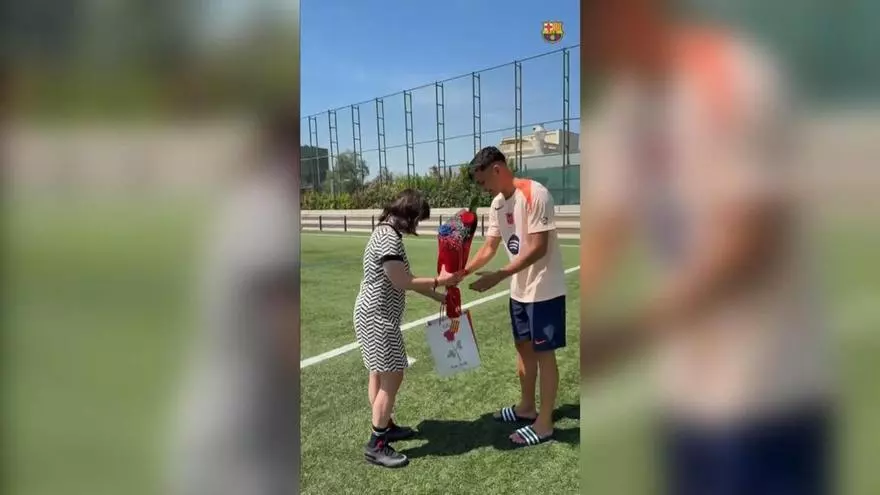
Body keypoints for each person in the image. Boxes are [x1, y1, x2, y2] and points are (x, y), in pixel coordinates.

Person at [579, 2, 831, 494]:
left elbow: (750, 244)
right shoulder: (626, 106)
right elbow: (608, 230)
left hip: (769, 395)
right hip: (687, 398)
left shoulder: (734, 77)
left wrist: (626, 336)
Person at [169, 105, 301, 495]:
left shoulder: (245, 204)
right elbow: (281, 326)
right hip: (246, 420)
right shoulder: (268, 209)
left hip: (224, 407)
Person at [463, 146, 568, 447]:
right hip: (519, 291)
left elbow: (538, 247)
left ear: (497, 169)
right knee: (522, 348)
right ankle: (526, 407)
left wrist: (499, 275)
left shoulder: (535, 194)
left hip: (544, 289)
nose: (483, 189)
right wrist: (464, 271)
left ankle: (545, 423)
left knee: (544, 354)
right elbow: (490, 247)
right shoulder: (497, 204)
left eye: (483, 182)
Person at [354, 189, 464, 468]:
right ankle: (376, 444)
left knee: (378, 373)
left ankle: (385, 426)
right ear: (408, 214)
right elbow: (402, 281)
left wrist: (438, 296)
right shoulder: (388, 238)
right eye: (417, 219)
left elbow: (406, 280)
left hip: (372, 315)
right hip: (378, 318)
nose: (417, 225)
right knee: (394, 374)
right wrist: (442, 280)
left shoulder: (385, 232)